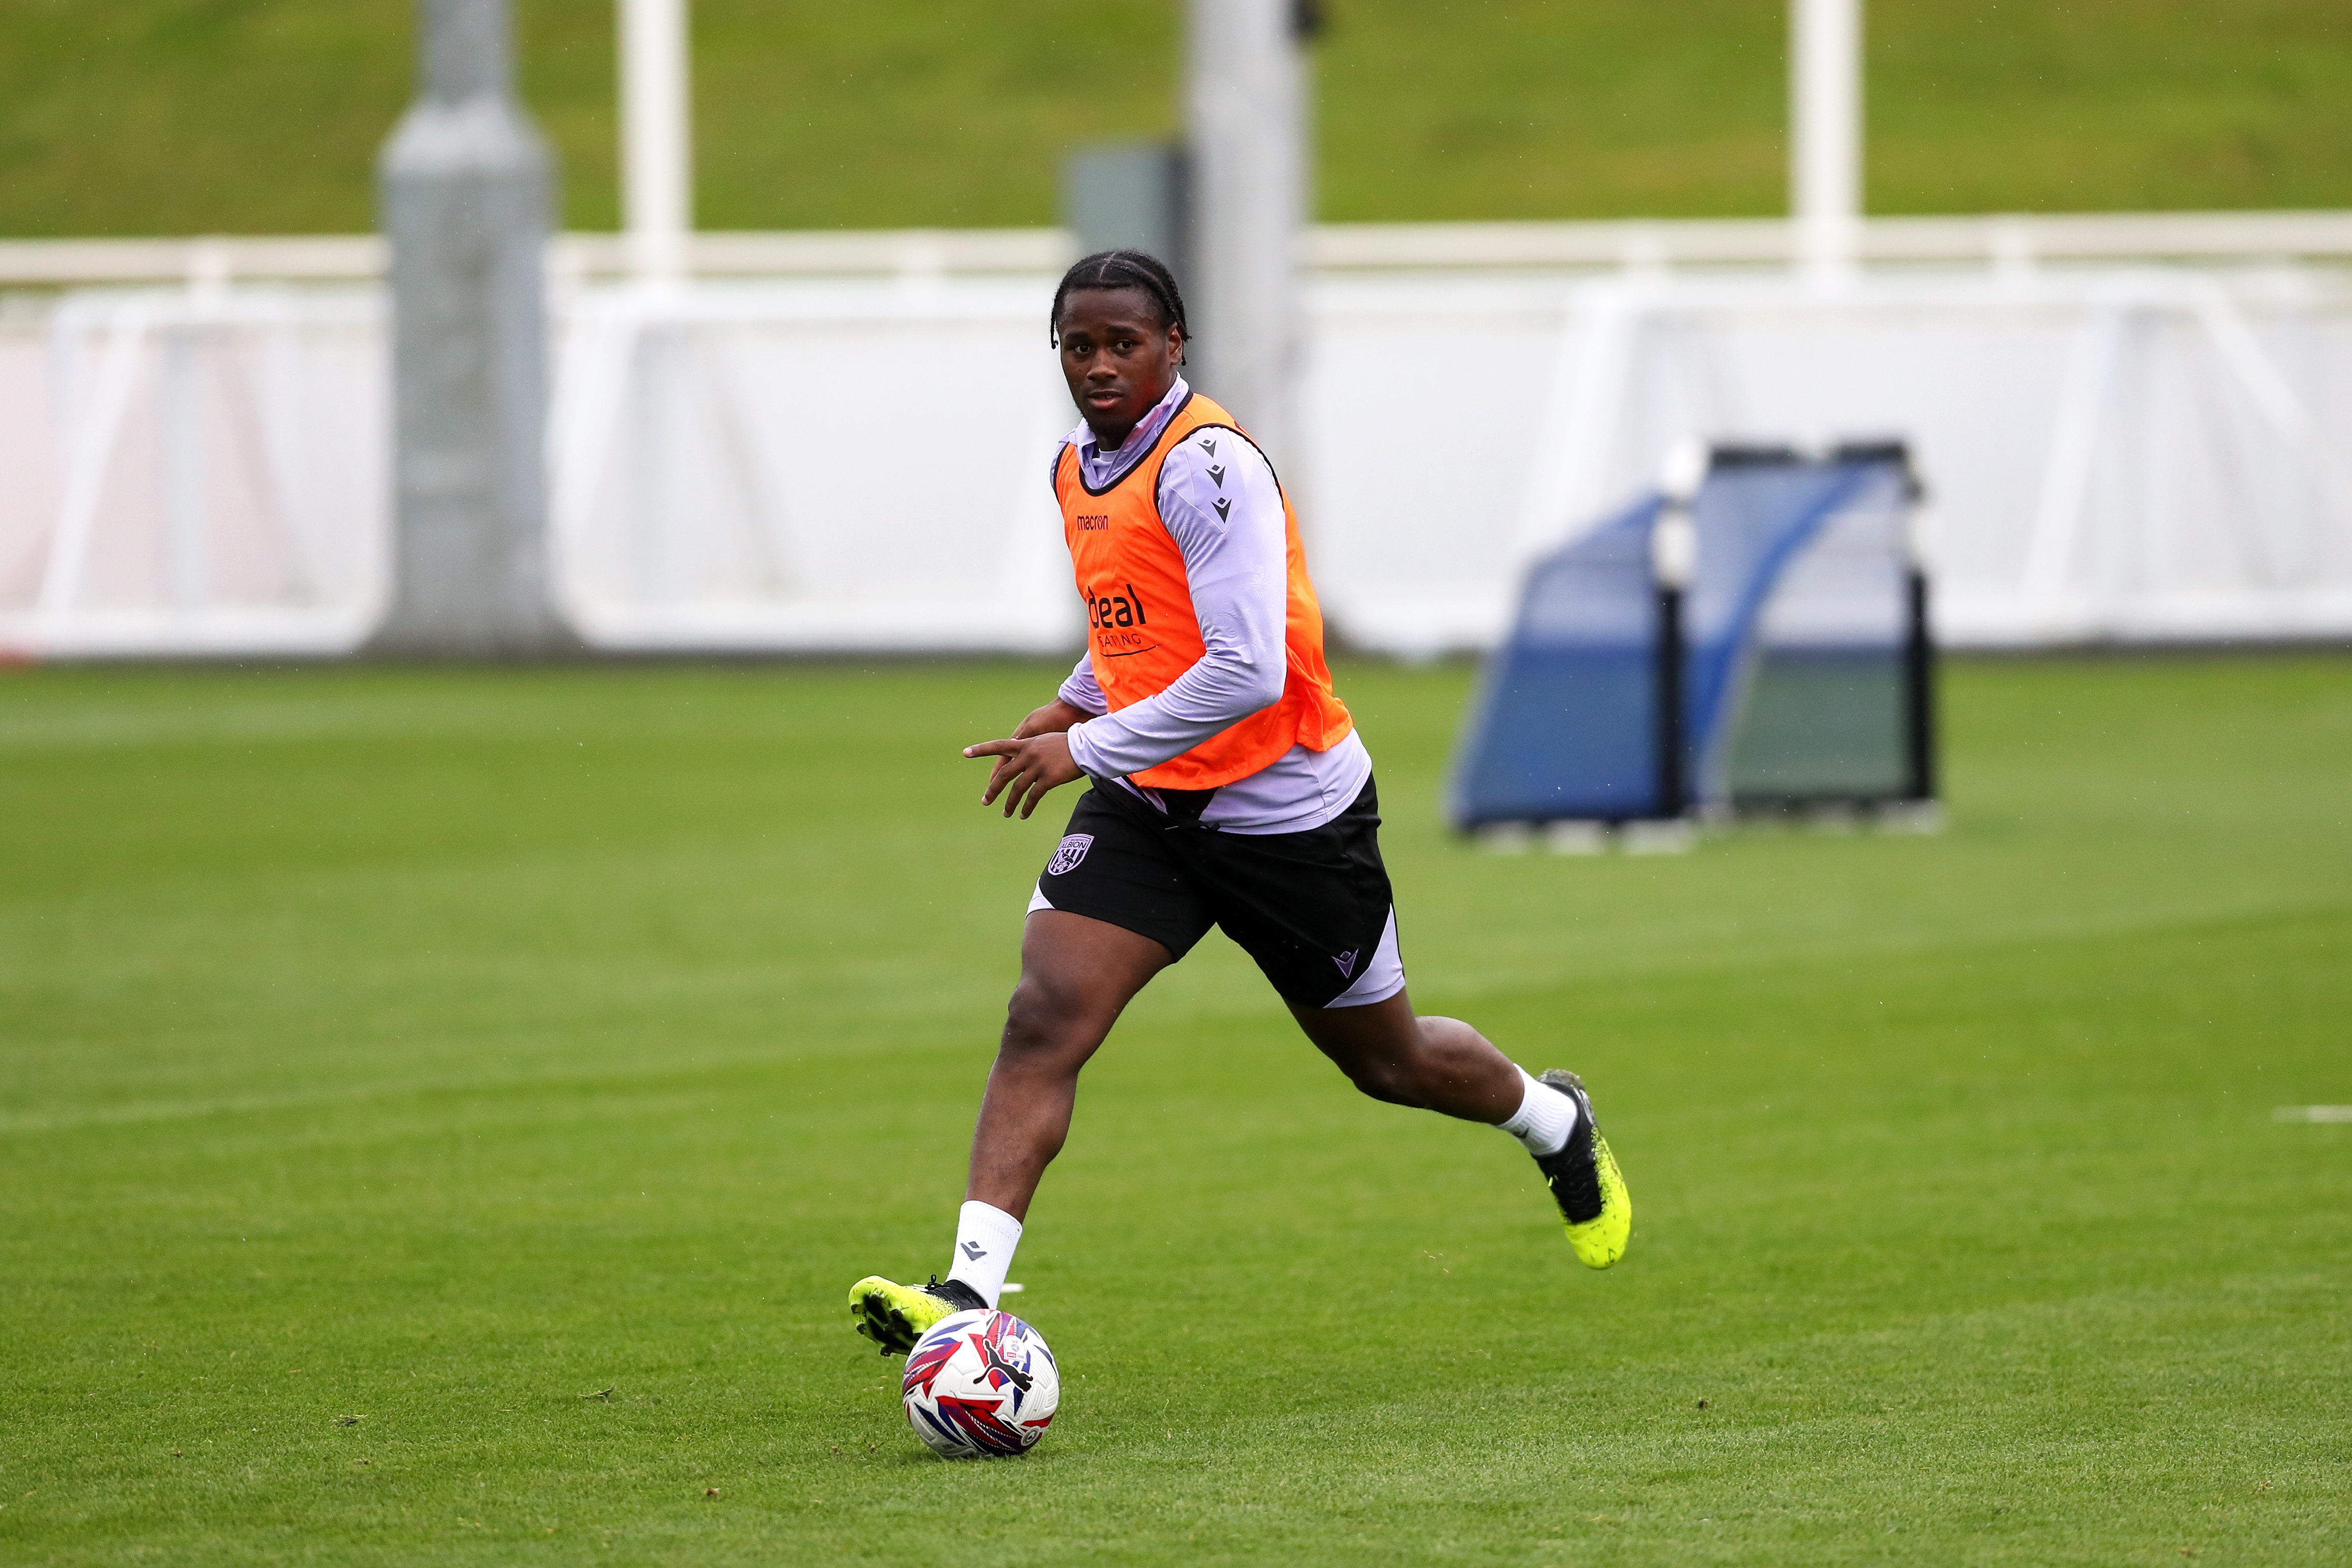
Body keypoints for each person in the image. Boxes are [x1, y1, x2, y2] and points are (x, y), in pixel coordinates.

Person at [847, 251, 1630, 1353]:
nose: (1100, 364)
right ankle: (968, 1295)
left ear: (1175, 346)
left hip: (1285, 813)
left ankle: (1551, 1118)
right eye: (1079, 345)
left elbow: (1246, 669)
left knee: (1387, 1062)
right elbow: (1138, 622)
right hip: (1152, 808)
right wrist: (1067, 702)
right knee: (1043, 1015)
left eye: (1124, 343)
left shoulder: (1206, 464)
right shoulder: (1078, 463)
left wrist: (1085, 746)